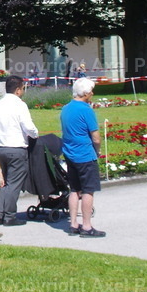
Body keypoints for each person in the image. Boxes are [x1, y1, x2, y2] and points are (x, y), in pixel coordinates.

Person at [0, 76, 39, 226]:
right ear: (18, 90)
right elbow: (28, 127)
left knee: (4, 182)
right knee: (13, 184)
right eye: (22, 88)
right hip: (16, 148)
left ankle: (0, 214)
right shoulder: (19, 105)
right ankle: (10, 216)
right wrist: (35, 134)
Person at [60, 78, 105, 237]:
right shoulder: (86, 110)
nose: (92, 94)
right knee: (88, 190)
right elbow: (96, 137)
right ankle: (86, 226)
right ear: (86, 93)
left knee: (74, 189)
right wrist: (97, 151)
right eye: (91, 91)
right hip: (85, 154)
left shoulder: (65, 108)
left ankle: (73, 223)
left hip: (70, 153)